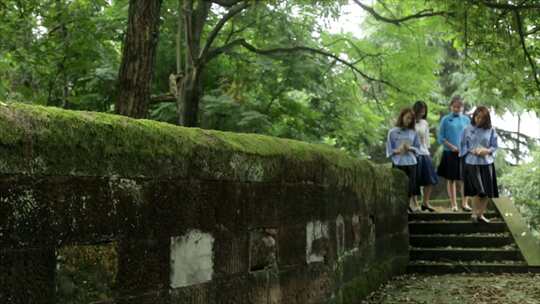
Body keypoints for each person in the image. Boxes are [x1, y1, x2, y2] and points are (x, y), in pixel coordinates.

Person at [460, 106, 499, 223]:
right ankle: (473, 214)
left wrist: (486, 151)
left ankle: (480, 215)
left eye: (482, 118)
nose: (479, 120)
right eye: (477, 117)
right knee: (477, 190)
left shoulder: (491, 130)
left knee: (487, 191)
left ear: (486, 119)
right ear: (474, 116)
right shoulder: (467, 129)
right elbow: (462, 145)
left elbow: (495, 146)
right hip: (471, 163)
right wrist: (471, 150)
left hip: (487, 163)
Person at [437, 96, 472, 212]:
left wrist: (465, 148)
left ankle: (465, 203)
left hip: (464, 153)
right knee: (451, 179)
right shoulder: (445, 119)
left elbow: (470, 136)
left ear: (462, 108)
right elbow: (441, 138)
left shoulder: (466, 120)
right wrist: (452, 147)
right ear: (451, 107)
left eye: (459, 107)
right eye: (454, 107)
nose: (456, 109)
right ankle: (453, 204)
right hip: (450, 153)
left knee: (465, 179)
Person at [386, 108, 421, 212]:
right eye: (407, 118)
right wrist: (397, 150)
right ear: (402, 117)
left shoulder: (413, 132)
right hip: (398, 162)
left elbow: (418, 148)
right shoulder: (392, 132)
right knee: (398, 185)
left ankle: (407, 206)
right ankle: (400, 207)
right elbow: (389, 149)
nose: (409, 121)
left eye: (411, 119)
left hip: (411, 162)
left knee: (410, 186)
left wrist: (410, 148)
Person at [413, 101, 438, 212]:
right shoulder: (410, 121)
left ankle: (425, 203)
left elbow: (426, 139)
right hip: (413, 153)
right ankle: (414, 203)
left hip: (424, 153)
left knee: (430, 179)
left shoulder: (424, 123)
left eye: (424, 110)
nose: (423, 112)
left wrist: (427, 150)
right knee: (414, 180)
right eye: (421, 110)